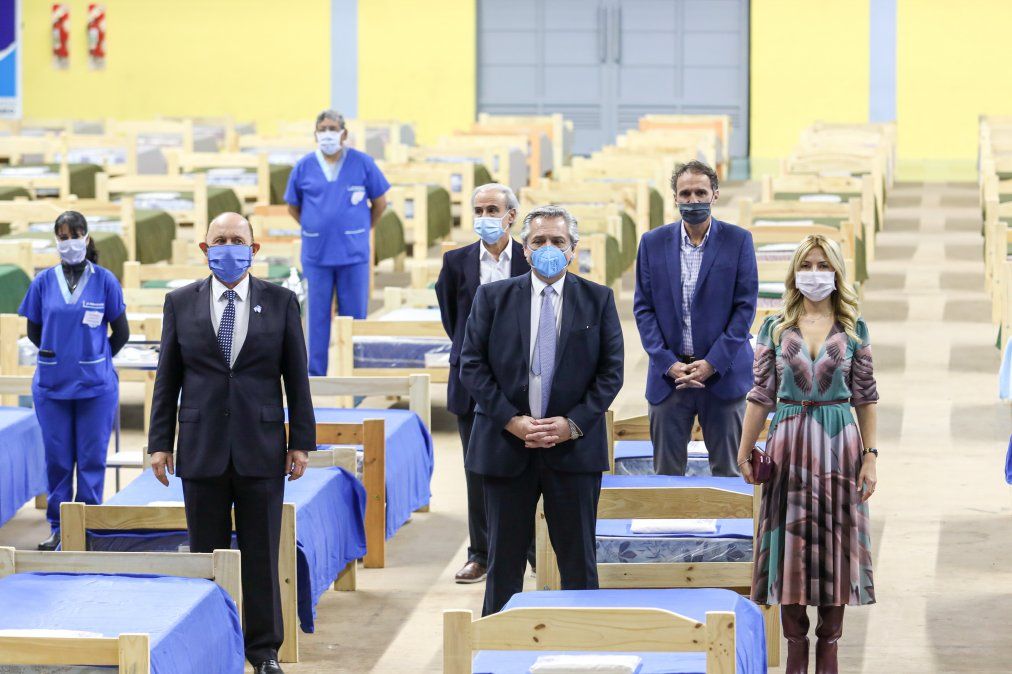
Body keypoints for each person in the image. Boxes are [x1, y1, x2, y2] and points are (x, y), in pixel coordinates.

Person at [147, 212, 315, 674]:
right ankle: (208, 641)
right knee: (207, 553)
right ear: (204, 249)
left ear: (254, 249)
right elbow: (168, 378)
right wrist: (160, 442)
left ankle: (263, 652)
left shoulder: (281, 302)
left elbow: (296, 377)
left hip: (261, 446)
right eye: (218, 240)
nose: (227, 247)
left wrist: (301, 440)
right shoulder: (180, 302)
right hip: (201, 445)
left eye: (237, 239)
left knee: (261, 554)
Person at [459, 205, 624, 616]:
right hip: (505, 445)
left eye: (557, 241)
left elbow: (611, 373)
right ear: (525, 250)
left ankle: (584, 648)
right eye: (538, 241)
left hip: (572, 448)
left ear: (573, 250)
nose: (548, 248)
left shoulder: (597, 299)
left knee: (579, 561)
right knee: (504, 561)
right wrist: (511, 420)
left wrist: (573, 425)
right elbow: (472, 366)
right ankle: (497, 647)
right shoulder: (493, 297)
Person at [738, 234, 878, 674]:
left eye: (823, 265)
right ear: (795, 271)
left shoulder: (855, 328)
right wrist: (746, 450)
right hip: (789, 443)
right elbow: (760, 395)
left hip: (841, 444)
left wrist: (871, 455)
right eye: (807, 265)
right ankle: (796, 649)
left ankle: (829, 648)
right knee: (790, 547)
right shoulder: (774, 327)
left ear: (836, 272)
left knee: (836, 546)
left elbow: (866, 397)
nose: (815, 273)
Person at [633, 160, 757, 476]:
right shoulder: (652, 243)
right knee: (667, 475)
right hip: (669, 378)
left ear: (714, 194)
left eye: (700, 192)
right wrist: (666, 362)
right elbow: (644, 309)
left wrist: (712, 363)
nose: (693, 200)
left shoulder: (738, 240)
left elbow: (744, 309)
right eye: (685, 193)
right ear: (675, 197)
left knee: (730, 472)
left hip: (722, 376)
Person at [435, 183, 532, 584]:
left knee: (526, 468)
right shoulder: (456, 262)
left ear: (511, 215)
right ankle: (481, 552)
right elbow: (451, 317)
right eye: (478, 210)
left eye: (493, 209)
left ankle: (529, 549)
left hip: (521, 381)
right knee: (476, 469)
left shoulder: (530, 259)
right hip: (471, 382)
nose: (485, 217)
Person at [18, 211, 129, 551]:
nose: (69, 242)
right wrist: (59, 356)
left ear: (87, 236)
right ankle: (60, 528)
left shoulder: (105, 280)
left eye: (74, 234)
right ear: (56, 240)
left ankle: (90, 529)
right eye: (62, 236)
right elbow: (34, 330)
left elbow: (120, 333)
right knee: (59, 461)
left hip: (96, 387)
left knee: (92, 458)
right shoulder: (43, 282)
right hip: (52, 387)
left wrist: (95, 356)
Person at [284, 109, 390, 376]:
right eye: (323, 129)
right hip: (317, 255)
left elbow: (380, 203)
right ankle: (314, 376)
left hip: (352, 254)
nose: (328, 134)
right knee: (316, 318)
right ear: (315, 134)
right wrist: (316, 226)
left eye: (333, 129)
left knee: (355, 318)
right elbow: (293, 206)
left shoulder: (362, 163)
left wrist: (361, 229)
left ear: (344, 134)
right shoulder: (304, 166)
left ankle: (356, 375)